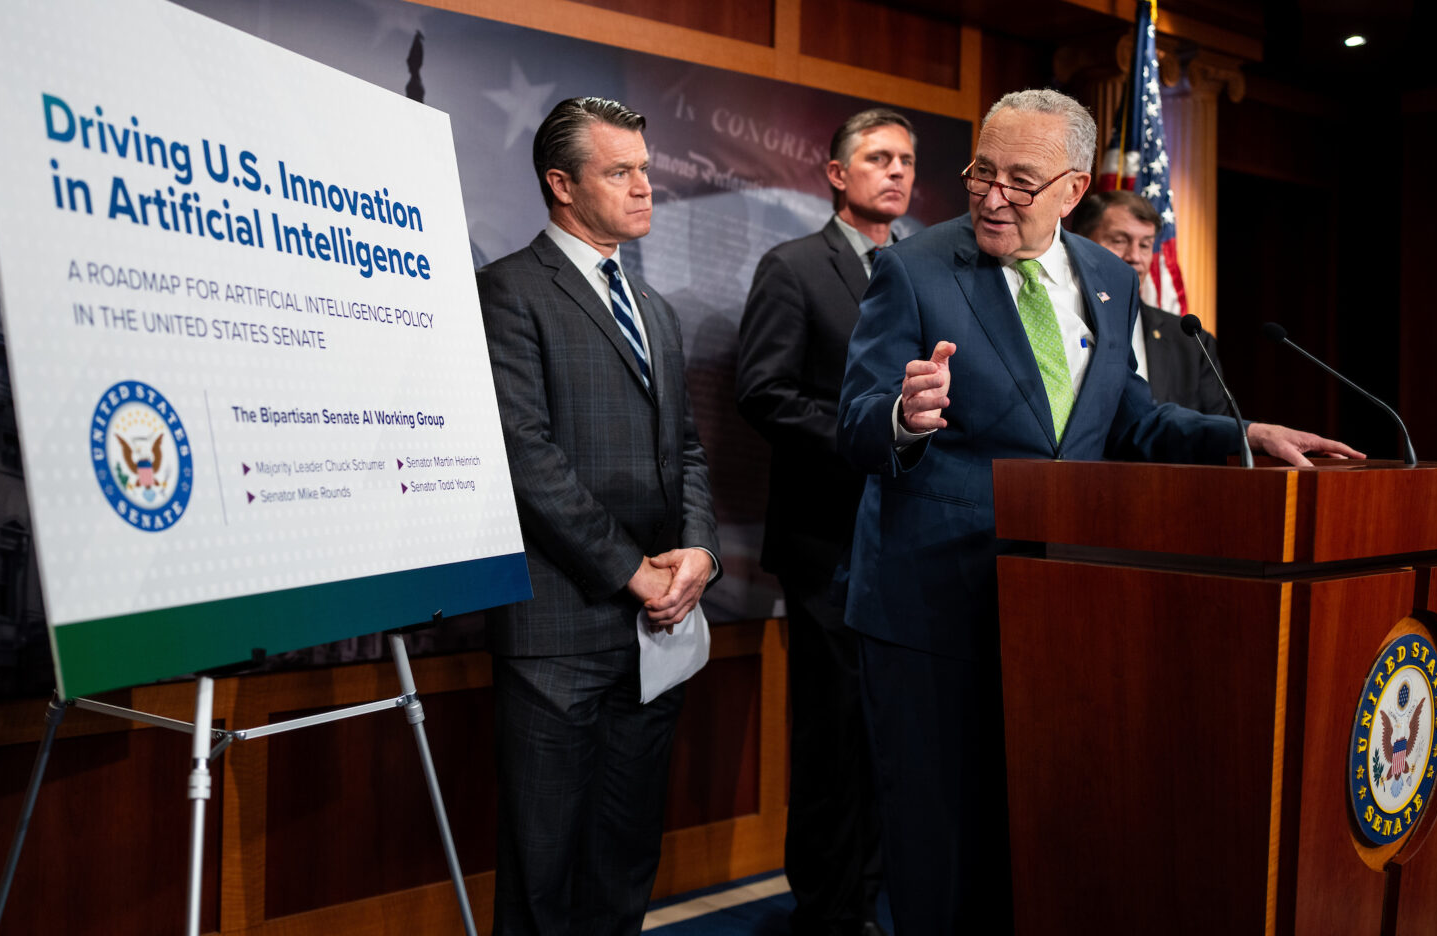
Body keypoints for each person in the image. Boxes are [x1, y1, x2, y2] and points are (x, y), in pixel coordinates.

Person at [836, 88, 1361, 933]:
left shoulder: (1112, 279)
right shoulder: (914, 267)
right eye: (982, 171)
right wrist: (903, 416)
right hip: (931, 608)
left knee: (1045, 838)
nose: (993, 195)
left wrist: (1244, 433)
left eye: (1021, 179)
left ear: (1075, 189)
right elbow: (853, 420)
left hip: (1065, 604)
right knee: (939, 850)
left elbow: (1132, 418)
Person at [477, 96, 721, 936]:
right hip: (556, 633)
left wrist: (697, 552)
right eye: (621, 172)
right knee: (543, 874)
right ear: (561, 183)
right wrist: (629, 570)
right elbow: (525, 454)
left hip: (656, 630)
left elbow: (686, 448)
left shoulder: (654, 309)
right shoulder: (508, 290)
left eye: (646, 169)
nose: (646, 186)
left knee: (624, 860)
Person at [737, 107, 912, 936]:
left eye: (907, 159)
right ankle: (827, 915)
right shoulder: (793, 266)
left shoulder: (931, 271)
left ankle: (875, 902)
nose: (897, 171)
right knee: (834, 743)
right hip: (827, 544)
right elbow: (763, 392)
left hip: (915, 545)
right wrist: (867, 436)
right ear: (837, 174)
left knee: (894, 741)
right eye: (878, 157)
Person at [1070, 189, 1228, 414]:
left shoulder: (1192, 342)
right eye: (1119, 241)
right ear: (1081, 243)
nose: (1135, 257)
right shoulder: (1062, 316)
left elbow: (1218, 430)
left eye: (1145, 245)